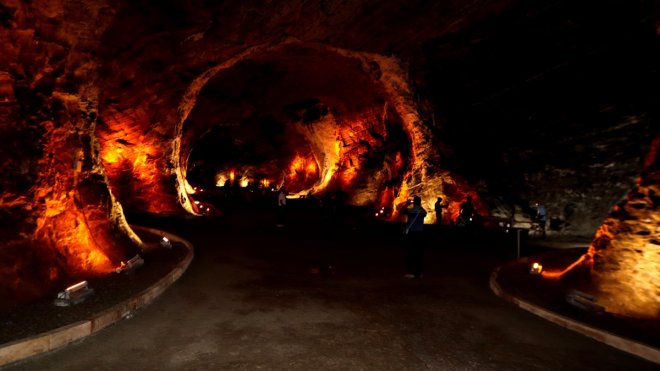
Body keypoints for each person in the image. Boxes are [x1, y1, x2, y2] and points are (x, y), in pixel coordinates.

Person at [403, 196, 427, 279]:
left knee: (411, 253)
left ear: (414, 202)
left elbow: (402, 210)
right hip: (420, 234)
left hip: (412, 234)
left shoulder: (410, 211)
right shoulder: (423, 212)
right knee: (419, 254)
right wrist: (419, 205)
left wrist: (408, 203)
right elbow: (424, 212)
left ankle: (411, 272)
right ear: (420, 202)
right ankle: (419, 273)